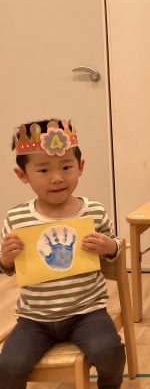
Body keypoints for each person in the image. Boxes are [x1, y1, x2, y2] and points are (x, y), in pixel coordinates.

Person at [0, 119, 125, 389]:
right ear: (22, 175)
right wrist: (6, 259)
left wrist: (109, 246)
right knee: (8, 366)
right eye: (43, 169)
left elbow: (116, 247)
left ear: (80, 167)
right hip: (35, 317)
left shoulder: (94, 211)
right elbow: (7, 267)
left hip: (87, 311)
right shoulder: (16, 218)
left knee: (110, 353)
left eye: (66, 167)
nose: (57, 178)